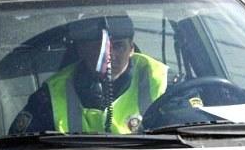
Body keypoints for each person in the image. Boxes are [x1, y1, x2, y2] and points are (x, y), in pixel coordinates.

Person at [9, 15, 168, 134]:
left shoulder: (161, 81)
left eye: (118, 46)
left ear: (131, 48)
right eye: (98, 48)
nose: (108, 55)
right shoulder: (51, 93)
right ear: (81, 49)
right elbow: (18, 145)